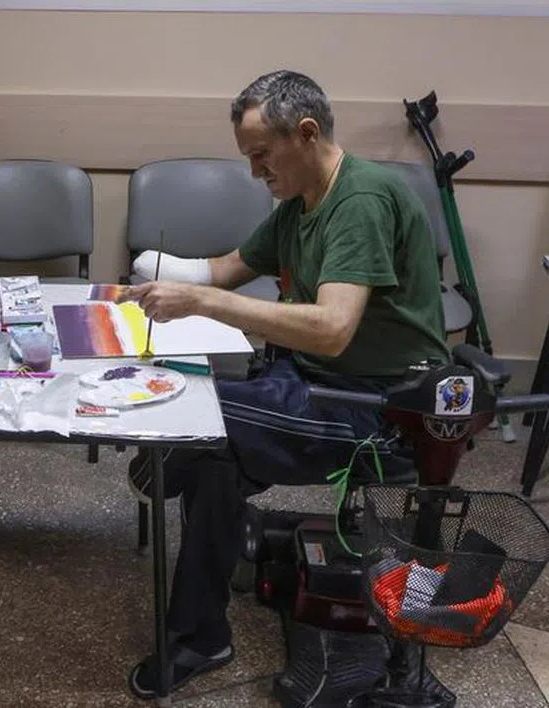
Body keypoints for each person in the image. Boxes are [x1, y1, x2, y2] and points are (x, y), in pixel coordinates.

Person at [121, 70, 450, 700]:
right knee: (214, 454)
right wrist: (148, 284)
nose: (254, 173)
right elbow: (223, 269)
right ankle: (200, 633)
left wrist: (199, 303)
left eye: (261, 156)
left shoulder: (360, 201)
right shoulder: (301, 204)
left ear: (306, 134)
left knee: (196, 416)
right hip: (309, 380)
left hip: (378, 412)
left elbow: (330, 329)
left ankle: (166, 477)